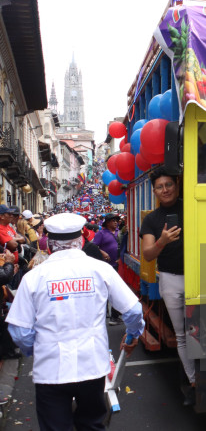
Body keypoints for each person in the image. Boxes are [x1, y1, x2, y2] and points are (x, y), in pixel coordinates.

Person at [6, 212, 144, 431]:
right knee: (92, 425)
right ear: (81, 240)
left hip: (51, 370)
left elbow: (19, 330)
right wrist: (133, 334)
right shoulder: (101, 270)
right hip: (91, 366)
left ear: (50, 243)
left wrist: (38, 349)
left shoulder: (34, 277)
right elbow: (134, 310)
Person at [140, 167, 195, 405]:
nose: (165, 190)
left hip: (199, 276)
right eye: (160, 187)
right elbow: (148, 254)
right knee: (182, 334)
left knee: (201, 331)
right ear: (154, 191)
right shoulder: (152, 219)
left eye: (168, 185)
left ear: (177, 184)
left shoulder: (192, 207)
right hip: (171, 280)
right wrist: (162, 241)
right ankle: (193, 382)